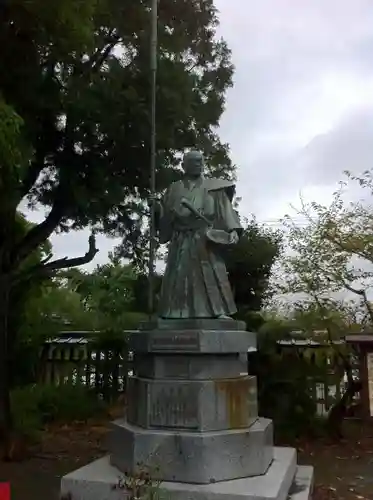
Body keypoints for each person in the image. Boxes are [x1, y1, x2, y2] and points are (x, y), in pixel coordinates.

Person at [152, 150, 242, 319]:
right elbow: (166, 216)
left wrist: (233, 230)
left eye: (200, 162)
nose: (198, 165)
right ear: (183, 165)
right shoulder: (173, 189)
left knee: (211, 275)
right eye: (193, 162)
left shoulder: (214, 188)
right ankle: (172, 312)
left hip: (204, 238)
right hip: (181, 239)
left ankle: (218, 311)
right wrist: (157, 209)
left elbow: (225, 211)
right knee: (178, 276)